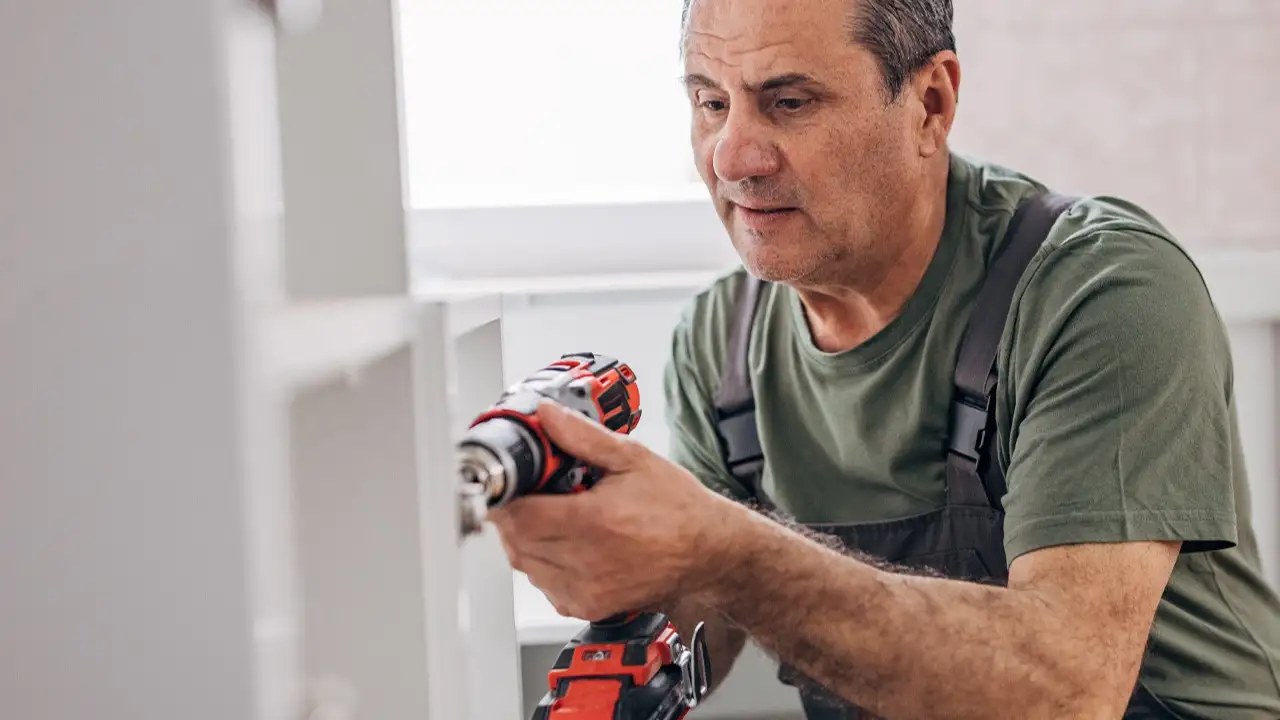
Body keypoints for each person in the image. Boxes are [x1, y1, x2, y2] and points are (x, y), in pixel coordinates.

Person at [488, 0, 1280, 717]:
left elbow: (1065, 691)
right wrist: (618, 561)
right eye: (710, 102)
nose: (733, 158)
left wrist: (722, 543)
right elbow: (701, 614)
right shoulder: (721, 343)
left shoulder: (1100, 293)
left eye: (788, 102)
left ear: (930, 104)